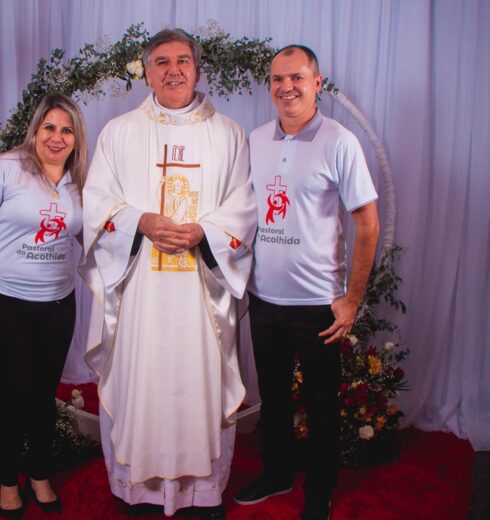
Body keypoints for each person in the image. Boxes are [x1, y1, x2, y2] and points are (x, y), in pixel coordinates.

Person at [80, 28, 257, 519]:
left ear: (197, 70)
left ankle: (202, 492)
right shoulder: (120, 132)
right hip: (140, 287)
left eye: (183, 60)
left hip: (202, 290)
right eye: (161, 61)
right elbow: (96, 202)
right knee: (142, 379)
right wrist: (141, 221)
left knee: (199, 384)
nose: (173, 70)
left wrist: (205, 231)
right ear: (147, 72)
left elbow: (244, 206)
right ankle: (139, 491)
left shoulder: (229, 133)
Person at [234, 45, 380, 520]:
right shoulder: (256, 140)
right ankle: (277, 474)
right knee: (273, 398)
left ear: (317, 83)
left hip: (319, 303)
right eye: (278, 79)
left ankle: (320, 490)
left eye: (297, 77)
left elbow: (367, 223)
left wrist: (351, 299)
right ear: (269, 87)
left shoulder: (340, 141)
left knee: (320, 404)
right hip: (264, 298)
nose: (287, 87)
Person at [0, 92, 87, 518]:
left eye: (66, 130)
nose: (57, 137)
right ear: (35, 130)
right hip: (5, 305)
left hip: (57, 305)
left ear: (76, 138)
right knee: (13, 396)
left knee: (43, 397)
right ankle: (9, 481)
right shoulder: (5, 168)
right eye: (49, 127)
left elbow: (88, 236)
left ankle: (40, 474)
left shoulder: (79, 183)